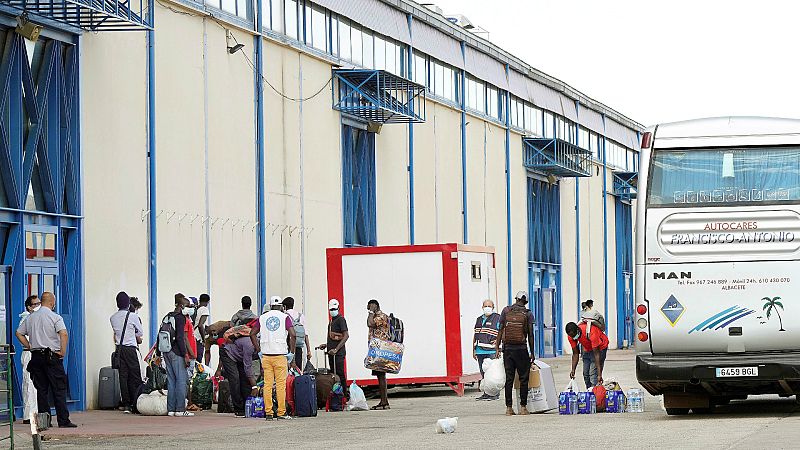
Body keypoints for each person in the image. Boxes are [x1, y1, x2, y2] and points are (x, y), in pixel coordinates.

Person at [15, 292, 77, 428]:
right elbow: (64, 333)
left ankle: (44, 421)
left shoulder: (31, 318)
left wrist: (29, 346)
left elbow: (18, 333)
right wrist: (62, 351)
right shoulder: (55, 317)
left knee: (41, 390)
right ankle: (63, 420)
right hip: (52, 356)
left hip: (36, 357)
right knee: (59, 389)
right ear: (52, 302)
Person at [250, 296, 296, 420]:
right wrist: (291, 352)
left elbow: (252, 333)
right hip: (280, 355)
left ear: (270, 306)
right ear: (281, 306)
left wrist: (259, 350)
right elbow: (293, 334)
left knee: (267, 384)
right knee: (281, 385)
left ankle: (269, 413)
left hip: (266, 356)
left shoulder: (262, 318)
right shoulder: (285, 317)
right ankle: (281, 412)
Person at [495, 291, 535, 416]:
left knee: (509, 379)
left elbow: (500, 329)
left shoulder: (506, 311)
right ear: (526, 302)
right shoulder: (528, 314)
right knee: (524, 378)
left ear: (516, 299)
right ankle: (523, 408)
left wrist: (497, 347)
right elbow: (530, 334)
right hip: (521, 349)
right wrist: (532, 352)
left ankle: (508, 408)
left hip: (507, 349)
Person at [110, 291, 144, 414]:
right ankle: (136, 403)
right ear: (128, 303)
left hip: (119, 349)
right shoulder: (133, 316)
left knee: (123, 377)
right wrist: (132, 333)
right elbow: (140, 333)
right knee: (135, 376)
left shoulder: (113, 317)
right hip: (130, 349)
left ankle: (127, 404)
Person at [163, 293, 194, 417]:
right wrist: (185, 354)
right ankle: (180, 409)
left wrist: (159, 353)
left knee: (171, 381)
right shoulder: (180, 318)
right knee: (181, 380)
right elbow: (181, 337)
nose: (190, 308)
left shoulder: (168, 316)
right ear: (182, 306)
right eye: (188, 306)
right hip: (177, 352)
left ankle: (171, 410)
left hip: (166, 351)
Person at [220, 333, 258, 417]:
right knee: (235, 379)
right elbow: (248, 367)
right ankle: (238, 409)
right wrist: (254, 386)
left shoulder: (262, 346)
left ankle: (247, 406)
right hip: (228, 354)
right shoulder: (250, 346)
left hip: (239, 356)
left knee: (245, 380)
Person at [317, 299, 348, 395]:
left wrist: (336, 349)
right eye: (331, 309)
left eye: (334, 309)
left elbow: (346, 335)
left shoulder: (341, 319)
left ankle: (344, 395)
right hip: (331, 353)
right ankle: (336, 395)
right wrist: (326, 345)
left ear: (338, 308)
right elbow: (333, 338)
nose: (332, 311)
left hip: (338, 353)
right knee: (333, 375)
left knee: (340, 374)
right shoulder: (331, 322)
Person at [566, 321, 609, 389]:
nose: (574, 338)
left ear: (578, 330)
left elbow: (596, 354)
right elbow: (575, 353)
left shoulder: (591, 331)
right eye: (572, 336)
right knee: (586, 374)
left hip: (600, 347)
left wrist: (599, 374)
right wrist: (573, 370)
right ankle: (589, 392)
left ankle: (595, 394)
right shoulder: (571, 336)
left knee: (593, 375)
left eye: (574, 335)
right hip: (587, 348)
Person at [473, 299, 501, 401]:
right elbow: (475, 335)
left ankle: (494, 394)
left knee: (493, 374)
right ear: (482, 307)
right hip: (480, 350)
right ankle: (487, 393)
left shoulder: (497, 318)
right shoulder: (479, 319)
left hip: (492, 351)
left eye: (489, 306)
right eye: (485, 306)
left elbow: (503, 331)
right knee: (483, 373)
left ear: (493, 308)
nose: (487, 308)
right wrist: (473, 349)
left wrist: (498, 342)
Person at [18, 295, 40, 424]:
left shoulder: (35, 318)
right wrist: (30, 346)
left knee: (37, 385)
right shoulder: (26, 319)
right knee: (29, 384)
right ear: (29, 307)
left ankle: (36, 412)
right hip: (29, 353)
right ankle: (29, 414)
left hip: (36, 353)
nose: (38, 306)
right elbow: (21, 334)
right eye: (35, 304)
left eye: (39, 303)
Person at [366, 299, 391, 410]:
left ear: (375, 306)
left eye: (370, 307)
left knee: (381, 375)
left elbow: (369, 323)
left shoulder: (381, 316)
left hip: (381, 350)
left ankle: (384, 402)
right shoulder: (377, 316)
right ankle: (384, 401)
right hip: (376, 349)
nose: (369, 309)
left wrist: (371, 313)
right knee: (380, 375)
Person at [282, 296, 311, 371]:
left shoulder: (284, 316)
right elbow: (306, 335)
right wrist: (308, 351)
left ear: (284, 306)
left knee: (287, 372)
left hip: (287, 347)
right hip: (298, 346)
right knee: (297, 370)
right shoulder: (301, 316)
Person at [194, 294, 211, 363]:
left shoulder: (196, 309)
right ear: (208, 302)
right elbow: (200, 325)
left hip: (191, 336)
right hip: (198, 338)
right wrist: (204, 339)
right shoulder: (204, 309)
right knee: (198, 361)